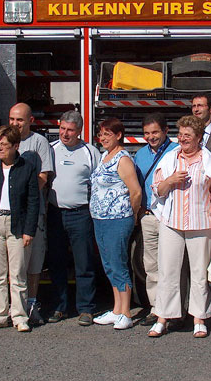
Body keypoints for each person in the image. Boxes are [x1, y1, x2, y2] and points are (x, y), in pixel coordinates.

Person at [148, 115, 211, 339]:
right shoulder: (170, 158)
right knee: (168, 271)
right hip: (172, 223)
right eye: (180, 134)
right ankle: (163, 317)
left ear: (199, 137)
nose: (182, 139)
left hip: (201, 224)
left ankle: (199, 318)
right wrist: (170, 181)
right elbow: (157, 191)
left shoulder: (209, 161)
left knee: (199, 273)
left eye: (187, 135)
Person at [0, 102, 55, 327]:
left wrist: (21, 195)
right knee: (7, 266)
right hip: (6, 213)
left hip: (31, 212)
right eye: (12, 119)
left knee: (33, 262)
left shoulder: (39, 143)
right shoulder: (1, 141)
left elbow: (44, 176)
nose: (15, 123)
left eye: (20, 120)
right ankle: (7, 309)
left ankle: (31, 304)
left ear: (31, 120)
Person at [0, 125, 40, 332]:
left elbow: (33, 201)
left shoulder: (27, 167)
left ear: (15, 146)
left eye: (4, 144)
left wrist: (29, 230)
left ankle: (20, 317)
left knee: (18, 274)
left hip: (17, 224)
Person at [47, 110, 101, 326]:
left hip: (81, 214)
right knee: (56, 262)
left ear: (79, 131)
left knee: (84, 263)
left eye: (70, 130)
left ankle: (86, 308)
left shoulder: (90, 152)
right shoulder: (50, 150)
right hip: (54, 214)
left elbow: (98, 183)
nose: (65, 134)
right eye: (62, 129)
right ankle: (59, 307)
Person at [90, 118, 142, 330]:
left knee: (118, 263)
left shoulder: (123, 159)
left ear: (118, 135)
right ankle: (117, 308)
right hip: (100, 219)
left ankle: (126, 312)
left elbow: (135, 191)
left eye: (107, 134)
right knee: (108, 264)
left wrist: (133, 213)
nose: (102, 138)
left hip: (117, 219)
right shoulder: (104, 156)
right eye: (101, 134)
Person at [133, 112, 176, 326]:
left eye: (155, 132)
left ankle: (176, 311)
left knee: (173, 266)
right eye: (147, 133)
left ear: (166, 131)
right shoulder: (140, 155)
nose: (151, 137)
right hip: (148, 217)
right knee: (151, 266)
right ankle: (156, 308)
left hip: (170, 216)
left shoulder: (177, 152)